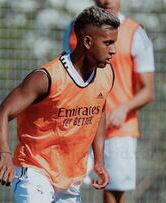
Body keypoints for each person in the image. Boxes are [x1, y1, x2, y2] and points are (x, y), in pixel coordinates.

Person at [0, 6, 120, 203]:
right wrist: (5, 155)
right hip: (35, 171)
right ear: (87, 41)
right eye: (108, 43)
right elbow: (2, 113)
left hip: (70, 178)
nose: (114, 50)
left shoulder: (106, 74)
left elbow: (99, 111)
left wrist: (100, 161)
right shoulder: (47, 78)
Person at [63, 1, 155, 203]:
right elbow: (65, 74)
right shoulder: (74, 28)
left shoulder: (136, 33)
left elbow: (149, 91)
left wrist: (123, 109)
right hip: (80, 124)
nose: (106, 1)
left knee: (112, 193)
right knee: (62, 185)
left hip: (118, 130)